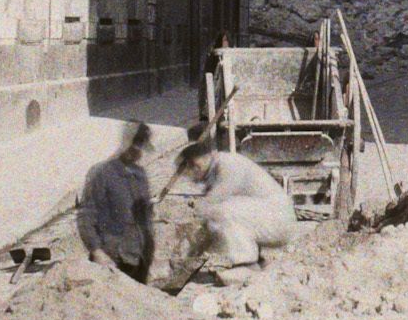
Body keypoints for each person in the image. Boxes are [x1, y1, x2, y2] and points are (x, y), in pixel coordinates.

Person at [176, 131, 297, 276]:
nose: (193, 172)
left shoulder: (228, 164)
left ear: (209, 155)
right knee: (220, 214)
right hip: (270, 217)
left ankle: (245, 264)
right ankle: (256, 261)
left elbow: (214, 201)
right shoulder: (215, 169)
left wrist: (187, 242)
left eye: (193, 165)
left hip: (279, 220)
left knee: (219, 212)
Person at [77, 121, 156, 283]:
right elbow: (86, 216)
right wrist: (97, 251)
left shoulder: (140, 174)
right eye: (136, 148)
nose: (139, 154)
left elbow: (146, 219)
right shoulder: (101, 173)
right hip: (112, 260)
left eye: (141, 149)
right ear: (126, 144)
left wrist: (148, 258)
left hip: (138, 258)